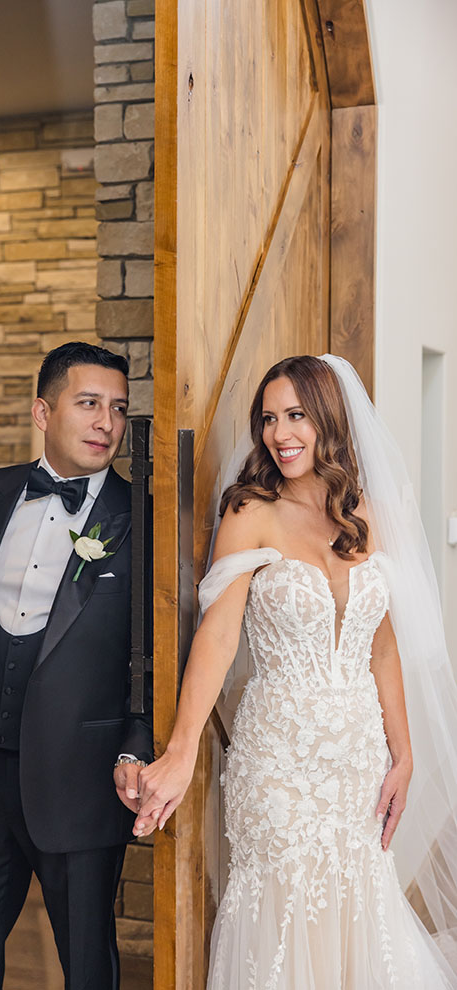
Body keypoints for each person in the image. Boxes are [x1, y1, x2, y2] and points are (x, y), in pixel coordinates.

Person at [134, 354, 457, 988]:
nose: (280, 434)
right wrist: (180, 750)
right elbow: (219, 635)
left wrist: (404, 751)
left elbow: (382, 643)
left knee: (360, 903)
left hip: (359, 758)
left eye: (296, 415)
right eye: (268, 419)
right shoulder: (250, 511)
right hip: (278, 758)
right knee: (284, 915)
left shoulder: (369, 512)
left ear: (329, 418)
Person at [0, 341, 153, 990]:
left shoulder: (141, 518)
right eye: (88, 404)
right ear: (42, 412)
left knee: (87, 964)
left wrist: (135, 748)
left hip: (80, 781)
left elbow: (154, 658)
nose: (106, 422)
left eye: (117, 408)